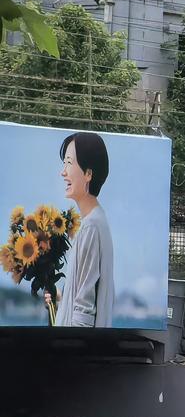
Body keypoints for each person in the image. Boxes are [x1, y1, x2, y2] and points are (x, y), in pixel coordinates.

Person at [48, 132, 114, 328]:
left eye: (69, 162)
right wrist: (60, 297)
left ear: (88, 174)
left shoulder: (91, 227)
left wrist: (73, 349)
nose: (63, 172)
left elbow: (84, 310)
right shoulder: (96, 221)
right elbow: (82, 295)